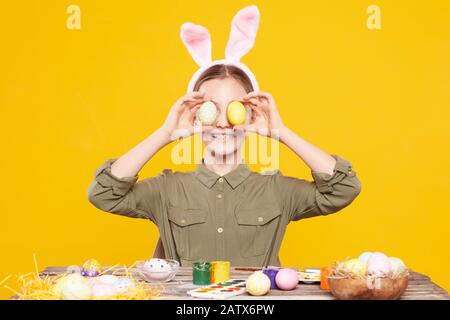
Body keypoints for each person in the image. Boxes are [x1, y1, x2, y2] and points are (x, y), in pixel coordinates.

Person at [87, 6, 361, 267]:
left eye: (234, 110)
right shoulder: (166, 190)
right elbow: (103, 194)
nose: (221, 123)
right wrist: (164, 134)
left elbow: (343, 189)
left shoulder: (276, 190)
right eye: (210, 110)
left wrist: (282, 133)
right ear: (195, 117)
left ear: (252, 115)